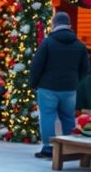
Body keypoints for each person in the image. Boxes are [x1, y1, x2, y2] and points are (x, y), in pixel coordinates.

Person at [29, 12, 89, 158]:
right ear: (69, 25)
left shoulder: (48, 42)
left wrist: (33, 83)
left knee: (48, 117)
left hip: (47, 87)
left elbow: (37, 65)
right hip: (69, 88)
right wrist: (75, 81)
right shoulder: (80, 45)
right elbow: (85, 69)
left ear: (54, 24)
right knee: (68, 117)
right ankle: (72, 149)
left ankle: (49, 149)